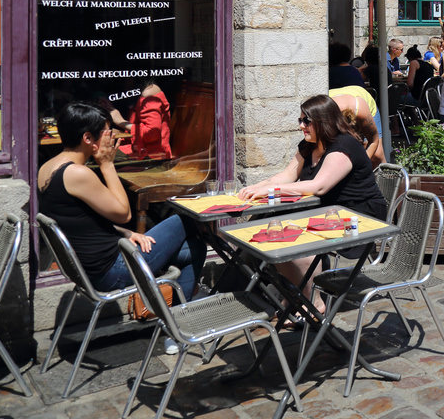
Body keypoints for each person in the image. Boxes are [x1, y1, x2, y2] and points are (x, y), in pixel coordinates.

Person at [39, 103, 207, 311]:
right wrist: (107, 164)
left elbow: (81, 222)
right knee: (187, 218)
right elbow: (124, 214)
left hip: (89, 269)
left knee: (194, 248)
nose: (112, 139)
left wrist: (127, 234)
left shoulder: (47, 168)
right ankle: (184, 313)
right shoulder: (77, 174)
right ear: (88, 139)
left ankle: (181, 314)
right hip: (112, 271)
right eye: (108, 133)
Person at [239, 95, 387, 305]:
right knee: (271, 229)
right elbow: (287, 175)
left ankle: (312, 301)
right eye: (300, 120)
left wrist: (272, 190)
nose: (301, 126)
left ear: (323, 121)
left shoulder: (344, 146)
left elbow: (319, 186)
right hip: (328, 214)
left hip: (358, 218)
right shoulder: (309, 145)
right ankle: (297, 293)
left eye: (306, 121)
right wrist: (257, 187)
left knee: (294, 241)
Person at [329, 84, 384, 166]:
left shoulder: (360, 109)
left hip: (361, 98)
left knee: (377, 154)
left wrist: (361, 166)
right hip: (335, 98)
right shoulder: (323, 116)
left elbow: (374, 141)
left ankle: (386, 175)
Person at [119, 80, 172, 160]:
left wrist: (120, 121)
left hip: (152, 156)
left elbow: (152, 133)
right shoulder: (141, 91)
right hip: (139, 149)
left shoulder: (149, 93)